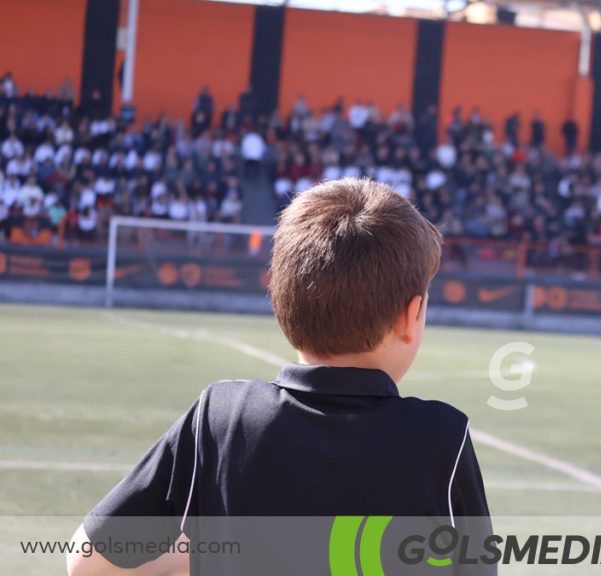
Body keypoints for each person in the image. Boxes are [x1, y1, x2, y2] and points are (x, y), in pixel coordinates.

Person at [67, 178, 491, 574]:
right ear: (411, 316)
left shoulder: (222, 417)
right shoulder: (441, 438)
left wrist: (198, 558)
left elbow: (86, 563)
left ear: (281, 300)